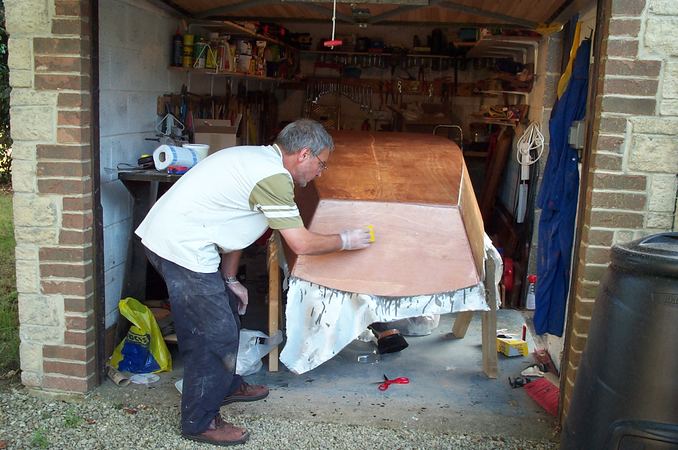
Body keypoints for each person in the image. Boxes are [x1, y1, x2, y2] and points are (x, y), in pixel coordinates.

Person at [135, 119, 372, 446]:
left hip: (184, 238)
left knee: (228, 309)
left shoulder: (259, 159)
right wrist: (346, 240)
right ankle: (199, 421)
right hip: (178, 246)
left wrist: (231, 279)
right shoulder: (273, 178)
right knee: (213, 333)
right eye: (321, 164)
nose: (320, 172)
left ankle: (227, 385)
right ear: (304, 154)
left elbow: (236, 224)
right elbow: (301, 243)